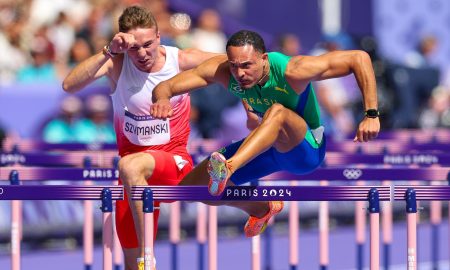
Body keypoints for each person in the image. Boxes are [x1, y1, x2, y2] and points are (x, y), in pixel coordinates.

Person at [151, 29, 380, 235]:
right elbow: (166, 86)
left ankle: (228, 167)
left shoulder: (293, 70)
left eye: (246, 66)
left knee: (277, 112)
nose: (239, 73)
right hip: (269, 148)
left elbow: (359, 58)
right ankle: (260, 208)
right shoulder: (225, 71)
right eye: (234, 65)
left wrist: (371, 115)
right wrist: (161, 99)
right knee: (194, 190)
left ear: (264, 58)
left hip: (305, 150)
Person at [62, 6, 220, 270]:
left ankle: (148, 256)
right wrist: (108, 50)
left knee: (128, 165)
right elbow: (69, 85)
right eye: (134, 48)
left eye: (148, 44)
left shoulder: (180, 60)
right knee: (130, 264)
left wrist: (254, 102)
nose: (143, 54)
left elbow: (233, 63)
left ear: (159, 36)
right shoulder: (116, 64)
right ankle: (141, 261)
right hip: (132, 182)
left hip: (173, 164)